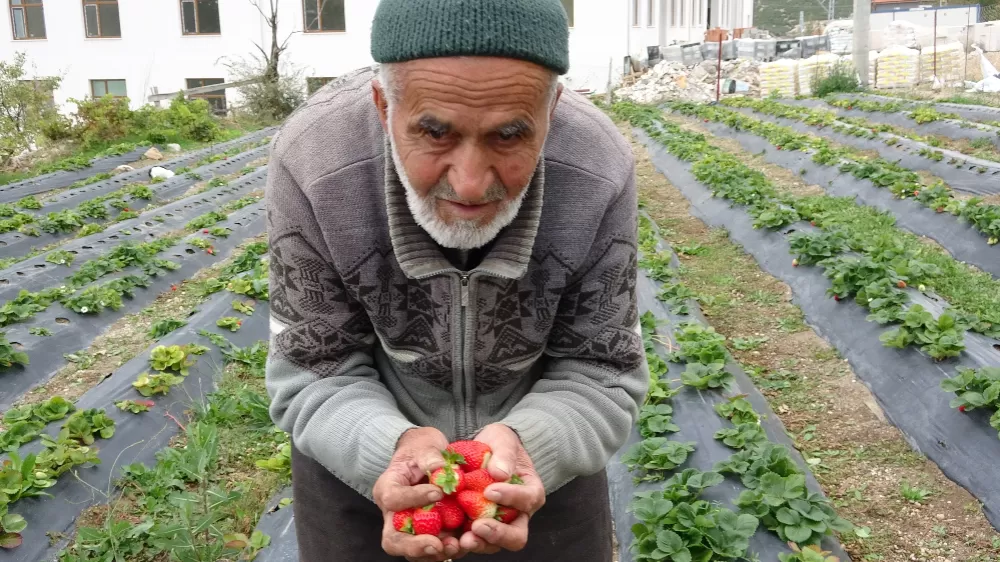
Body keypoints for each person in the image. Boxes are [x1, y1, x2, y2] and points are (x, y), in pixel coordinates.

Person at [264, 0, 648, 560]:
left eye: (509, 136)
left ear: (553, 109)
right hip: (361, 459)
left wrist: (529, 447)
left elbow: (601, 366)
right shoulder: (315, 161)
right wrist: (389, 450)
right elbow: (314, 366)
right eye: (434, 133)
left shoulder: (598, 167)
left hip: (540, 467)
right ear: (382, 107)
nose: (469, 183)